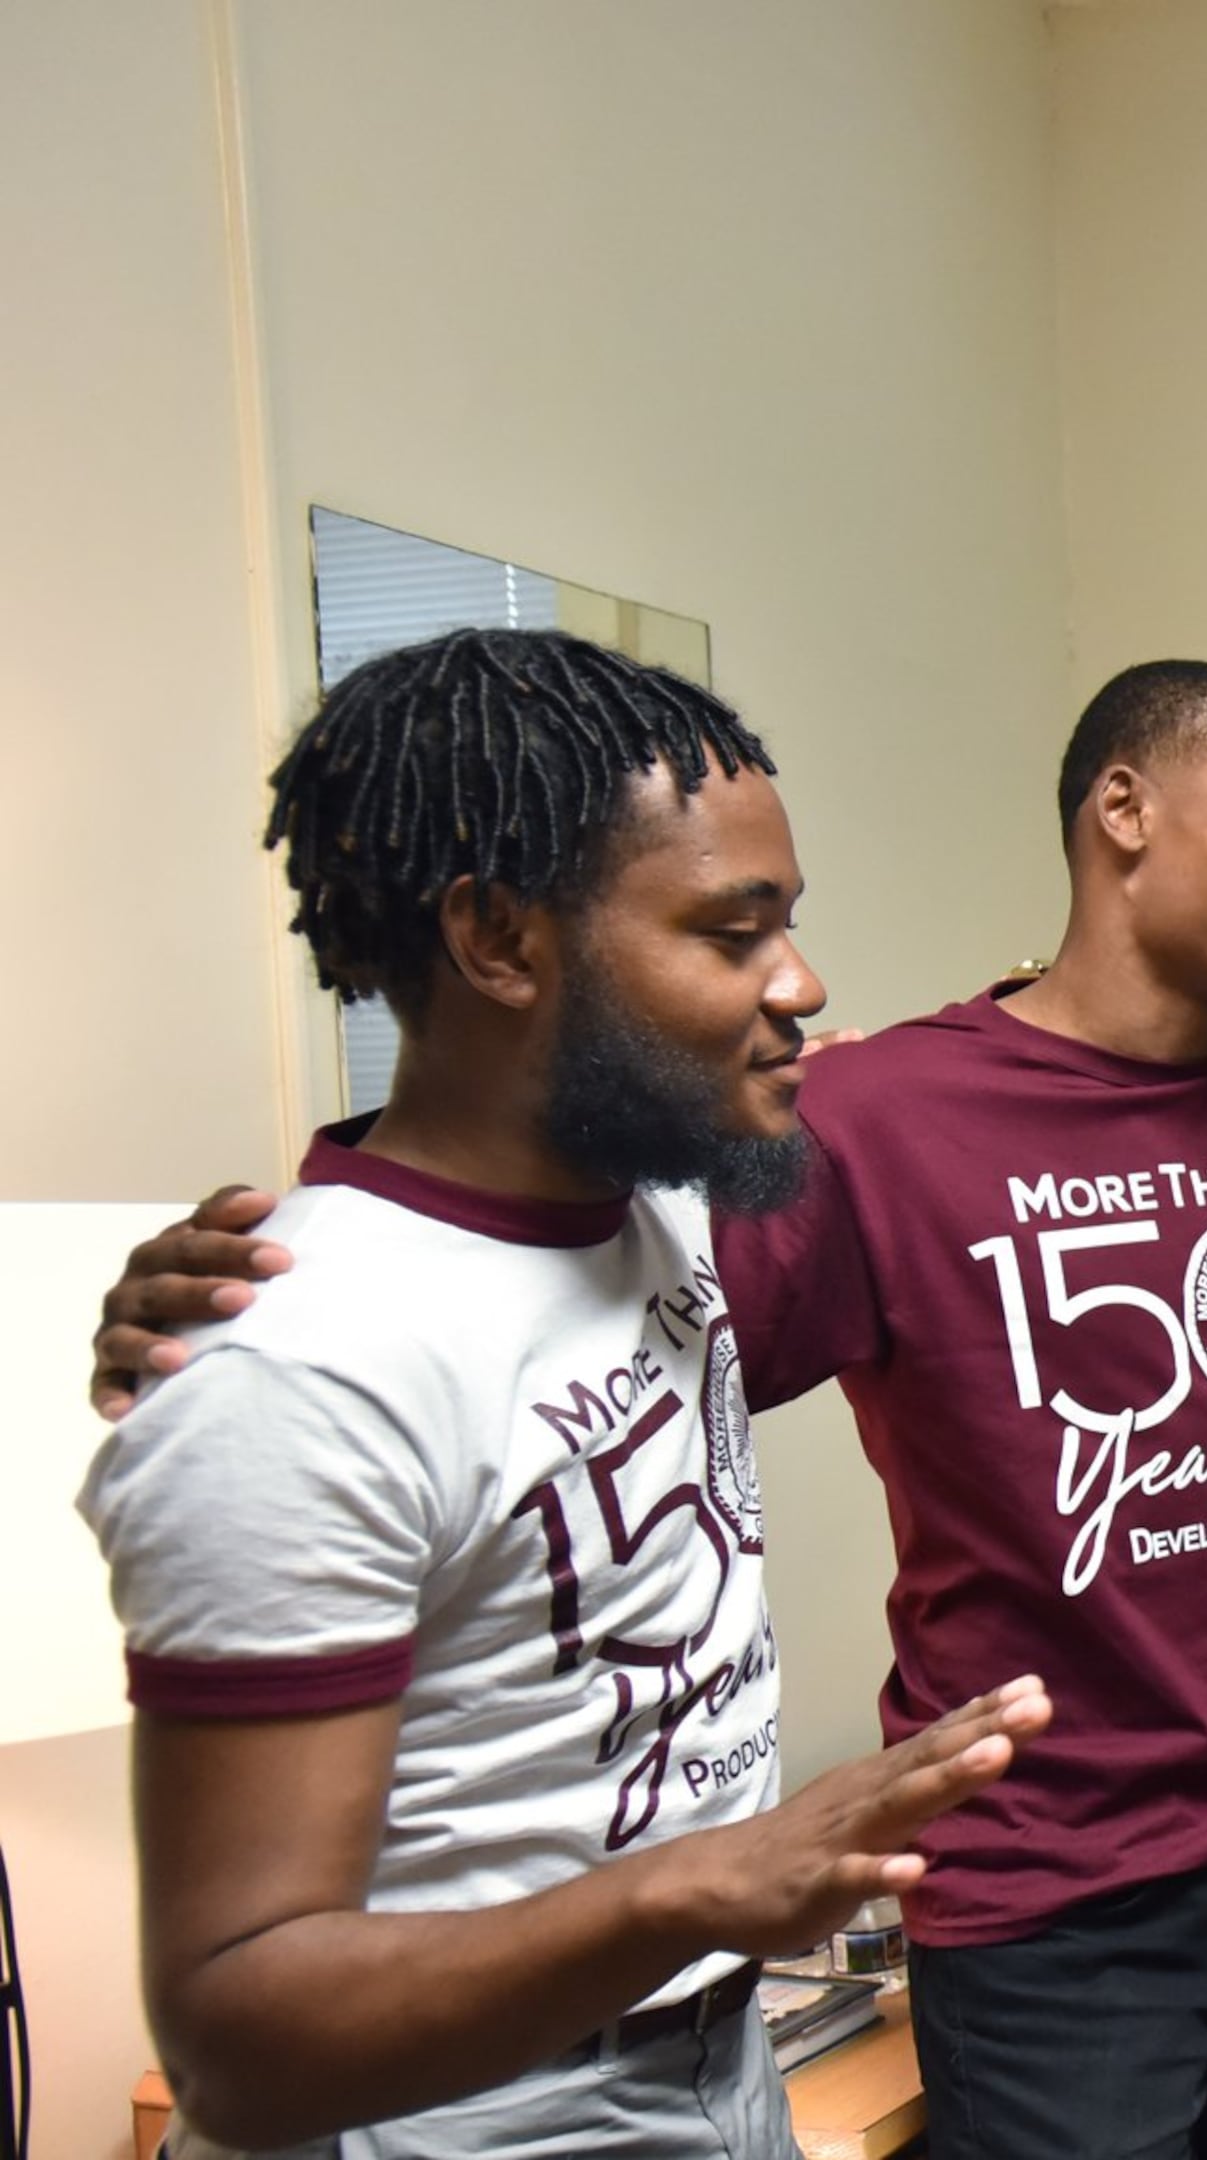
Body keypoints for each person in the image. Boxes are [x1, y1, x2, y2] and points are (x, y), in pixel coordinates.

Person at [87, 660, 1207, 2159]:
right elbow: (494, 1256)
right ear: (1125, 807)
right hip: (1055, 1908)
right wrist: (279, 1276)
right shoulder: (875, 1122)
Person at [78, 628, 1050, 2157]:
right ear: (499, 941)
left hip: (717, 2075)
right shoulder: (294, 1372)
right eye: (733, 935)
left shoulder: (656, 1198)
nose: (800, 983)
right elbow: (235, 2039)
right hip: (463, 2120)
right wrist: (699, 1886)